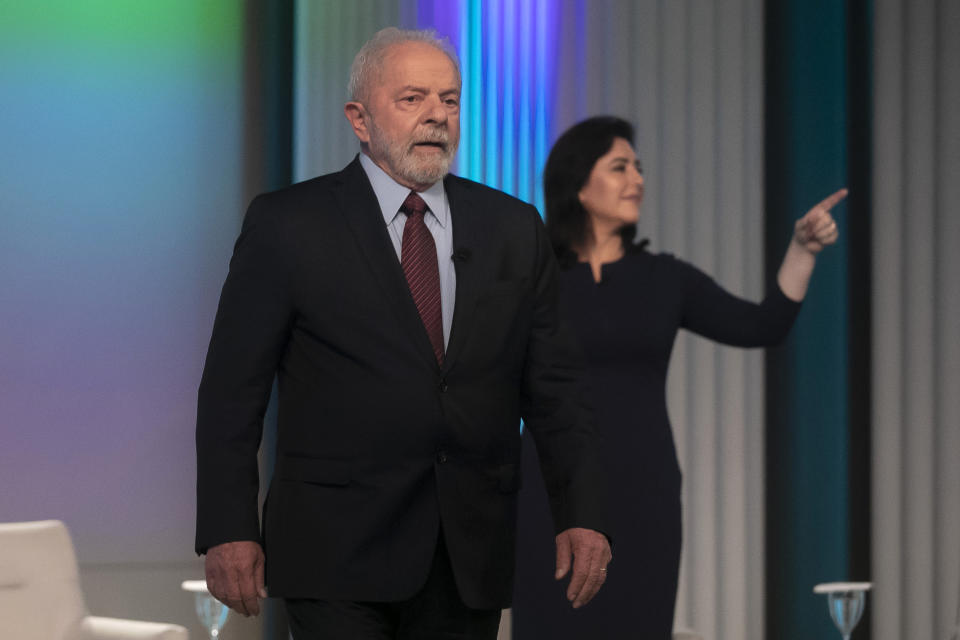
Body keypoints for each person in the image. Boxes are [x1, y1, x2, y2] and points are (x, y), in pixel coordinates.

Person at [194, 28, 612, 640]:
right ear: (359, 119)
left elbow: (556, 390)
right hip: (332, 549)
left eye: (449, 100)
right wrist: (229, 527)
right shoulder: (288, 225)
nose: (437, 117)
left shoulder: (513, 228)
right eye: (413, 99)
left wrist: (584, 514)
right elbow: (233, 390)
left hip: (466, 550)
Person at [511, 116, 846, 639]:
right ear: (578, 183)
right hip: (548, 492)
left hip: (645, 489)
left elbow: (763, 325)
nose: (637, 179)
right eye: (619, 167)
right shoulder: (533, 278)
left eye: (640, 169)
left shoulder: (666, 278)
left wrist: (802, 249)